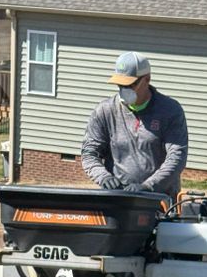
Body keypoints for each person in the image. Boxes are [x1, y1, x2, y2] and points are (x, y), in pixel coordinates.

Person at [81, 51, 188, 200]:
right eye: (120, 85)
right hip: (117, 199)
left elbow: (176, 158)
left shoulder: (170, 111)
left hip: (159, 199)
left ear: (147, 79)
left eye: (131, 85)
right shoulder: (105, 111)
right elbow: (89, 154)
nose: (124, 90)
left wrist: (147, 186)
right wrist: (104, 177)